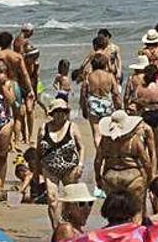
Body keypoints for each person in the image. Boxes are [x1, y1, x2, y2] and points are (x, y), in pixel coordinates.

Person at [95, 110, 155, 213]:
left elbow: (98, 161)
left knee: (114, 211)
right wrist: (150, 177)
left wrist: (98, 178)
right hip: (132, 177)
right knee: (137, 210)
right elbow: (146, 161)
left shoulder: (105, 140)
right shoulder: (133, 140)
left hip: (110, 178)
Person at [38, 99, 83, 227]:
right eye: (57, 111)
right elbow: (38, 151)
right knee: (52, 200)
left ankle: (70, 227)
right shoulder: (43, 128)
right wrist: (37, 172)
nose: (60, 114)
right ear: (52, 113)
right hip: (50, 168)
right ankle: (56, 229)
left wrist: (80, 165)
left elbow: (81, 147)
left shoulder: (72, 127)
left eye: (63, 111)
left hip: (70, 169)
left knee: (70, 201)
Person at [132, 64, 158, 173]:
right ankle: (156, 169)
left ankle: (145, 168)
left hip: (145, 116)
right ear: (156, 76)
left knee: (144, 145)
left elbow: (135, 103)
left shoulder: (139, 89)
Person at [81, 54, 122, 146]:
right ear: (105, 64)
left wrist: (83, 108)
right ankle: (108, 154)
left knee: (96, 132)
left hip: (93, 104)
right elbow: (115, 93)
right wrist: (119, 106)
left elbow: (84, 94)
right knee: (108, 132)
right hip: (106, 104)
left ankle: (99, 152)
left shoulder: (88, 77)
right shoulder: (110, 76)